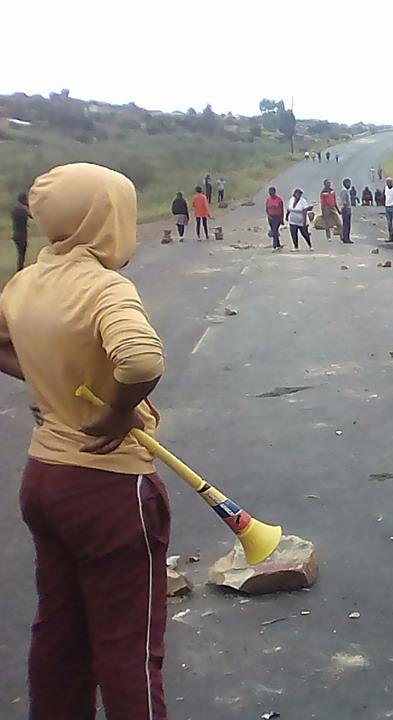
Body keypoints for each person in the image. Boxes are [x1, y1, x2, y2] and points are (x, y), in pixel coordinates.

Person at [0, 162, 169, 720]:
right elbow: (141, 359)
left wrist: (45, 380)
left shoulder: (24, 282)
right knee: (127, 647)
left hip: (44, 480)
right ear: (103, 222)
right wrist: (118, 412)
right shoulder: (104, 286)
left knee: (60, 633)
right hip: (109, 489)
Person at [11, 192, 29, 272]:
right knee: (22, 253)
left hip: (15, 233)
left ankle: (20, 268)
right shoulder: (22, 210)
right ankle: (20, 269)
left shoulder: (14, 209)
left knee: (20, 252)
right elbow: (31, 216)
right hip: (22, 234)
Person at [265, 186, 285, 251]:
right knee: (274, 231)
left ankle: (274, 246)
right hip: (270, 217)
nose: (271, 193)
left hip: (277, 217)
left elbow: (282, 209)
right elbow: (267, 209)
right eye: (269, 192)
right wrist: (268, 216)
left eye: (272, 192)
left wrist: (282, 219)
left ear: (274, 192)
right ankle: (278, 244)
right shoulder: (268, 199)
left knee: (274, 231)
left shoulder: (279, 199)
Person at [339, 179, 355, 244]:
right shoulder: (344, 191)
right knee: (346, 225)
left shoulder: (347, 191)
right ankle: (346, 238)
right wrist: (347, 209)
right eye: (348, 183)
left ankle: (346, 237)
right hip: (345, 209)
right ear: (345, 184)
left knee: (347, 225)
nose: (350, 185)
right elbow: (344, 202)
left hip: (347, 209)